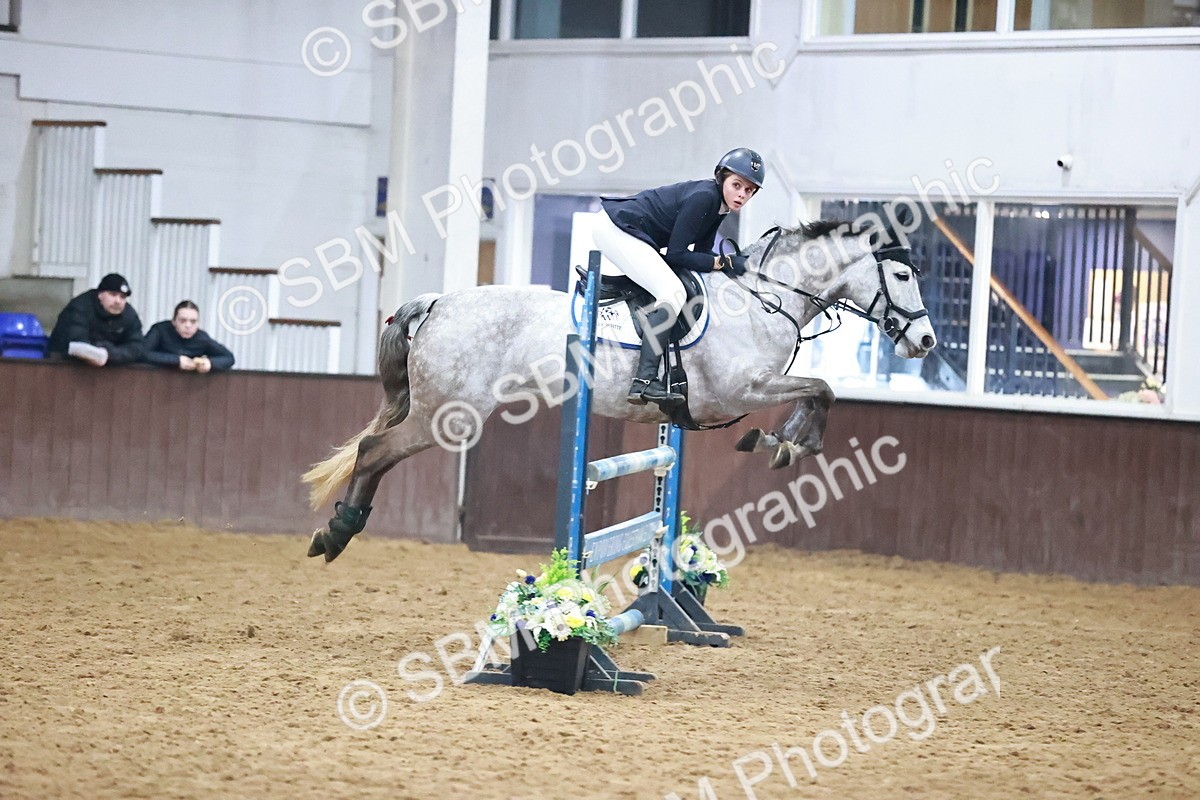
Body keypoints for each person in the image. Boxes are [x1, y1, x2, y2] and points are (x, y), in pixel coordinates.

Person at [594, 147, 764, 406]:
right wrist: (723, 262)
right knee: (673, 292)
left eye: (749, 190)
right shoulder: (704, 197)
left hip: (628, 231)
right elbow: (676, 254)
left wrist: (727, 265)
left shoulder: (719, 206)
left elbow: (702, 253)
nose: (742, 194)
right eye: (736, 185)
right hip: (616, 228)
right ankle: (644, 381)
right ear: (721, 178)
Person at [47, 273, 145, 367]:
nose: (118, 301)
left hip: (108, 368)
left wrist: (110, 353)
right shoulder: (80, 307)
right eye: (113, 294)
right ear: (100, 294)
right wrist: (100, 351)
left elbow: (137, 347)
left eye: (122, 297)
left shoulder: (129, 315)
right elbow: (77, 344)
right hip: (62, 365)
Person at [143, 300, 236, 372]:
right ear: (174, 321)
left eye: (193, 321)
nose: (188, 325)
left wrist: (210, 363)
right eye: (182, 321)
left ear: (198, 323)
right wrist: (177, 360)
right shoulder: (160, 330)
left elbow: (229, 358)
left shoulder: (202, 338)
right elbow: (142, 353)